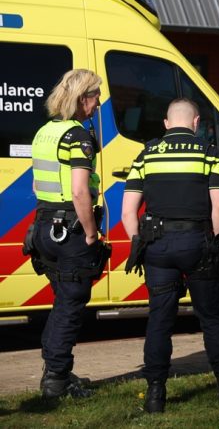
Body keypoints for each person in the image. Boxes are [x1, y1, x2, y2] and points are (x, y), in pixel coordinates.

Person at [120, 98, 219, 413]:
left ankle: (156, 393)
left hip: (157, 245)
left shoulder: (147, 156)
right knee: (211, 316)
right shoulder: (208, 155)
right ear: (196, 122)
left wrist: (137, 242)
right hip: (197, 243)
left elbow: (128, 210)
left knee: (160, 319)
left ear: (167, 124)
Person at [25, 68, 108, 399]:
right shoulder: (78, 136)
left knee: (63, 301)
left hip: (45, 226)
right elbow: (78, 191)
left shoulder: (45, 131)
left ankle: (56, 369)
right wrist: (91, 233)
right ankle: (56, 380)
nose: (99, 103)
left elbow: (37, 183)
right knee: (72, 303)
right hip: (70, 230)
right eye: (96, 96)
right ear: (82, 98)